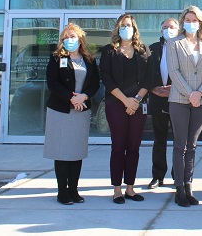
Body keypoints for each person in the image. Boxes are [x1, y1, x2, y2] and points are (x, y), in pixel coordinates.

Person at [44, 23, 100, 205]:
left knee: (76, 152)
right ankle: (62, 192)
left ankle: (74, 190)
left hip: (81, 110)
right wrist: (71, 98)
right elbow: (52, 83)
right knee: (62, 152)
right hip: (60, 110)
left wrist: (83, 96)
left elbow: (95, 84)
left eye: (73, 36)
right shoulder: (56, 58)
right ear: (62, 40)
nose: (70, 40)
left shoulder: (89, 60)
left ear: (80, 39)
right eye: (67, 37)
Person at [100, 14, 152, 204]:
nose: (126, 28)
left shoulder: (143, 50)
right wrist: (126, 101)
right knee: (118, 146)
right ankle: (117, 190)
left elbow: (150, 77)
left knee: (134, 147)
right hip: (116, 104)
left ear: (134, 28)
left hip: (138, 105)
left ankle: (130, 188)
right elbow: (106, 78)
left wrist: (136, 100)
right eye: (123, 25)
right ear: (117, 28)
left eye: (129, 25)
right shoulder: (109, 51)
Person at [167, 5, 202, 207]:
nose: (191, 23)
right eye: (188, 19)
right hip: (179, 99)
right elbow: (174, 71)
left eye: (195, 20)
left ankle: (188, 186)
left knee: (192, 146)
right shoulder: (174, 43)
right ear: (182, 21)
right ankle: (179, 189)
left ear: (201, 23)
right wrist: (190, 94)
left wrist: (200, 93)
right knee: (180, 145)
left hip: (200, 101)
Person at [146, 17, 179, 189]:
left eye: (172, 27)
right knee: (159, 140)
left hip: (177, 100)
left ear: (178, 30)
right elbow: (146, 74)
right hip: (158, 100)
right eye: (165, 27)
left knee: (179, 141)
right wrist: (153, 88)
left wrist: (174, 89)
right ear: (161, 31)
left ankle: (177, 176)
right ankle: (157, 176)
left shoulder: (183, 48)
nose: (168, 30)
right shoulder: (153, 49)